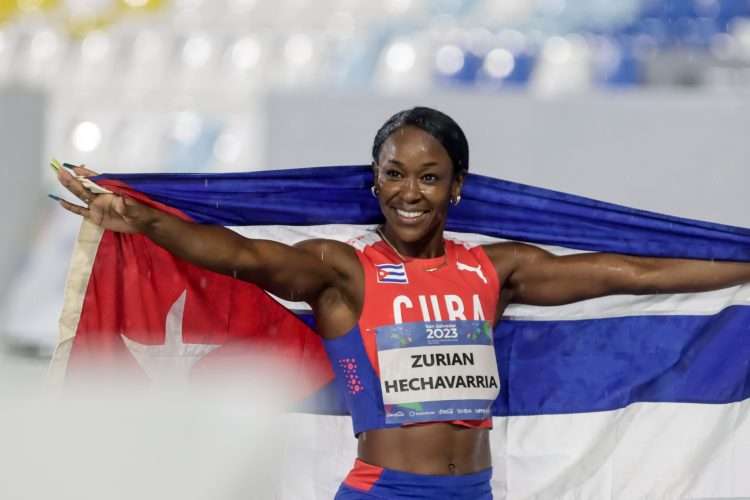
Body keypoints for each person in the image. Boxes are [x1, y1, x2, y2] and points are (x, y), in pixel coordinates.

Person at [55, 106, 750, 500]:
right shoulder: (344, 271)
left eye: (428, 176)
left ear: (456, 188)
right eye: (393, 174)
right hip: (383, 493)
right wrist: (143, 221)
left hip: (472, 492)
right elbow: (237, 254)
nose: (408, 192)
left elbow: (633, 272)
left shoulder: (494, 271)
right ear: (375, 183)